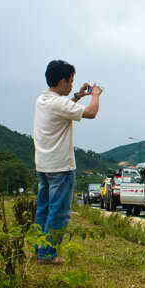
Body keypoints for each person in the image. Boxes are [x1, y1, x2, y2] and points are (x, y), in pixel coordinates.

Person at [33, 60, 103, 263]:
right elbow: (91, 113)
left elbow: (64, 107)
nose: (73, 85)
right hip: (61, 167)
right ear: (62, 81)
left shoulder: (43, 100)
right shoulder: (58, 103)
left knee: (43, 209)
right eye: (71, 81)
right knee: (59, 212)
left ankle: (39, 249)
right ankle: (48, 254)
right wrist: (95, 96)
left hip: (43, 165)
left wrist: (79, 96)